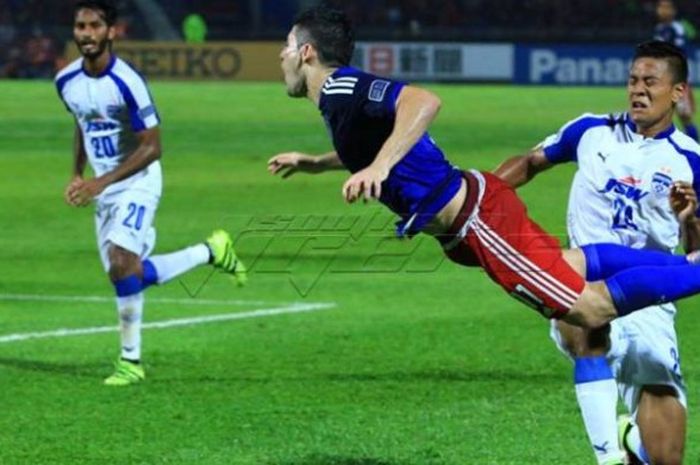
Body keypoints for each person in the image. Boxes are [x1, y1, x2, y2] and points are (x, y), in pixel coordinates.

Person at [268, 7, 700, 353]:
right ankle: (689, 264)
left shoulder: (343, 87)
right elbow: (376, 147)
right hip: (469, 223)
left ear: (307, 52)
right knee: (577, 264)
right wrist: (317, 162)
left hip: (477, 221)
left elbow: (422, 101)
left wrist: (379, 168)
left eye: (287, 45)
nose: (281, 55)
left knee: (588, 310)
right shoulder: (338, 102)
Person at [494, 39, 699, 465]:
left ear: (678, 91)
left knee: (666, 458)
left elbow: (694, 259)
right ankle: (607, 457)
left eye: (650, 82)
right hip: (581, 276)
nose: (637, 90)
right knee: (588, 327)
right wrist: (485, 195)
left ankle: (630, 443)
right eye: (632, 81)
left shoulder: (692, 161)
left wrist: (690, 219)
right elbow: (532, 161)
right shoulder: (590, 130)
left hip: (648, 298)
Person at [55, 0, 246, 386]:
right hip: (103, 187)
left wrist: (100, 182)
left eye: (95, 26)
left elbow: (153, 146)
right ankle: (211, 250)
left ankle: (131, 361)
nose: (86, 34)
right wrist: (77, 173)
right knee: (127, 274)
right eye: (80, 26)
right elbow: (83, 123)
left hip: (138, 180)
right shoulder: (66, 81)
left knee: (123, 261)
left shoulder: (128, 82)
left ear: (111, 32)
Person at [655, 0, 698, 142]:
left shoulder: (677, 28)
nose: (662, 10)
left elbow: (680, 53)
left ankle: (695, 147)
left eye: (666, 7)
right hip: (662, 77)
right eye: (660, 7)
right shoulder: (660, 28)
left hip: (676, 76)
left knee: (684, 116)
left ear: (673, 11)